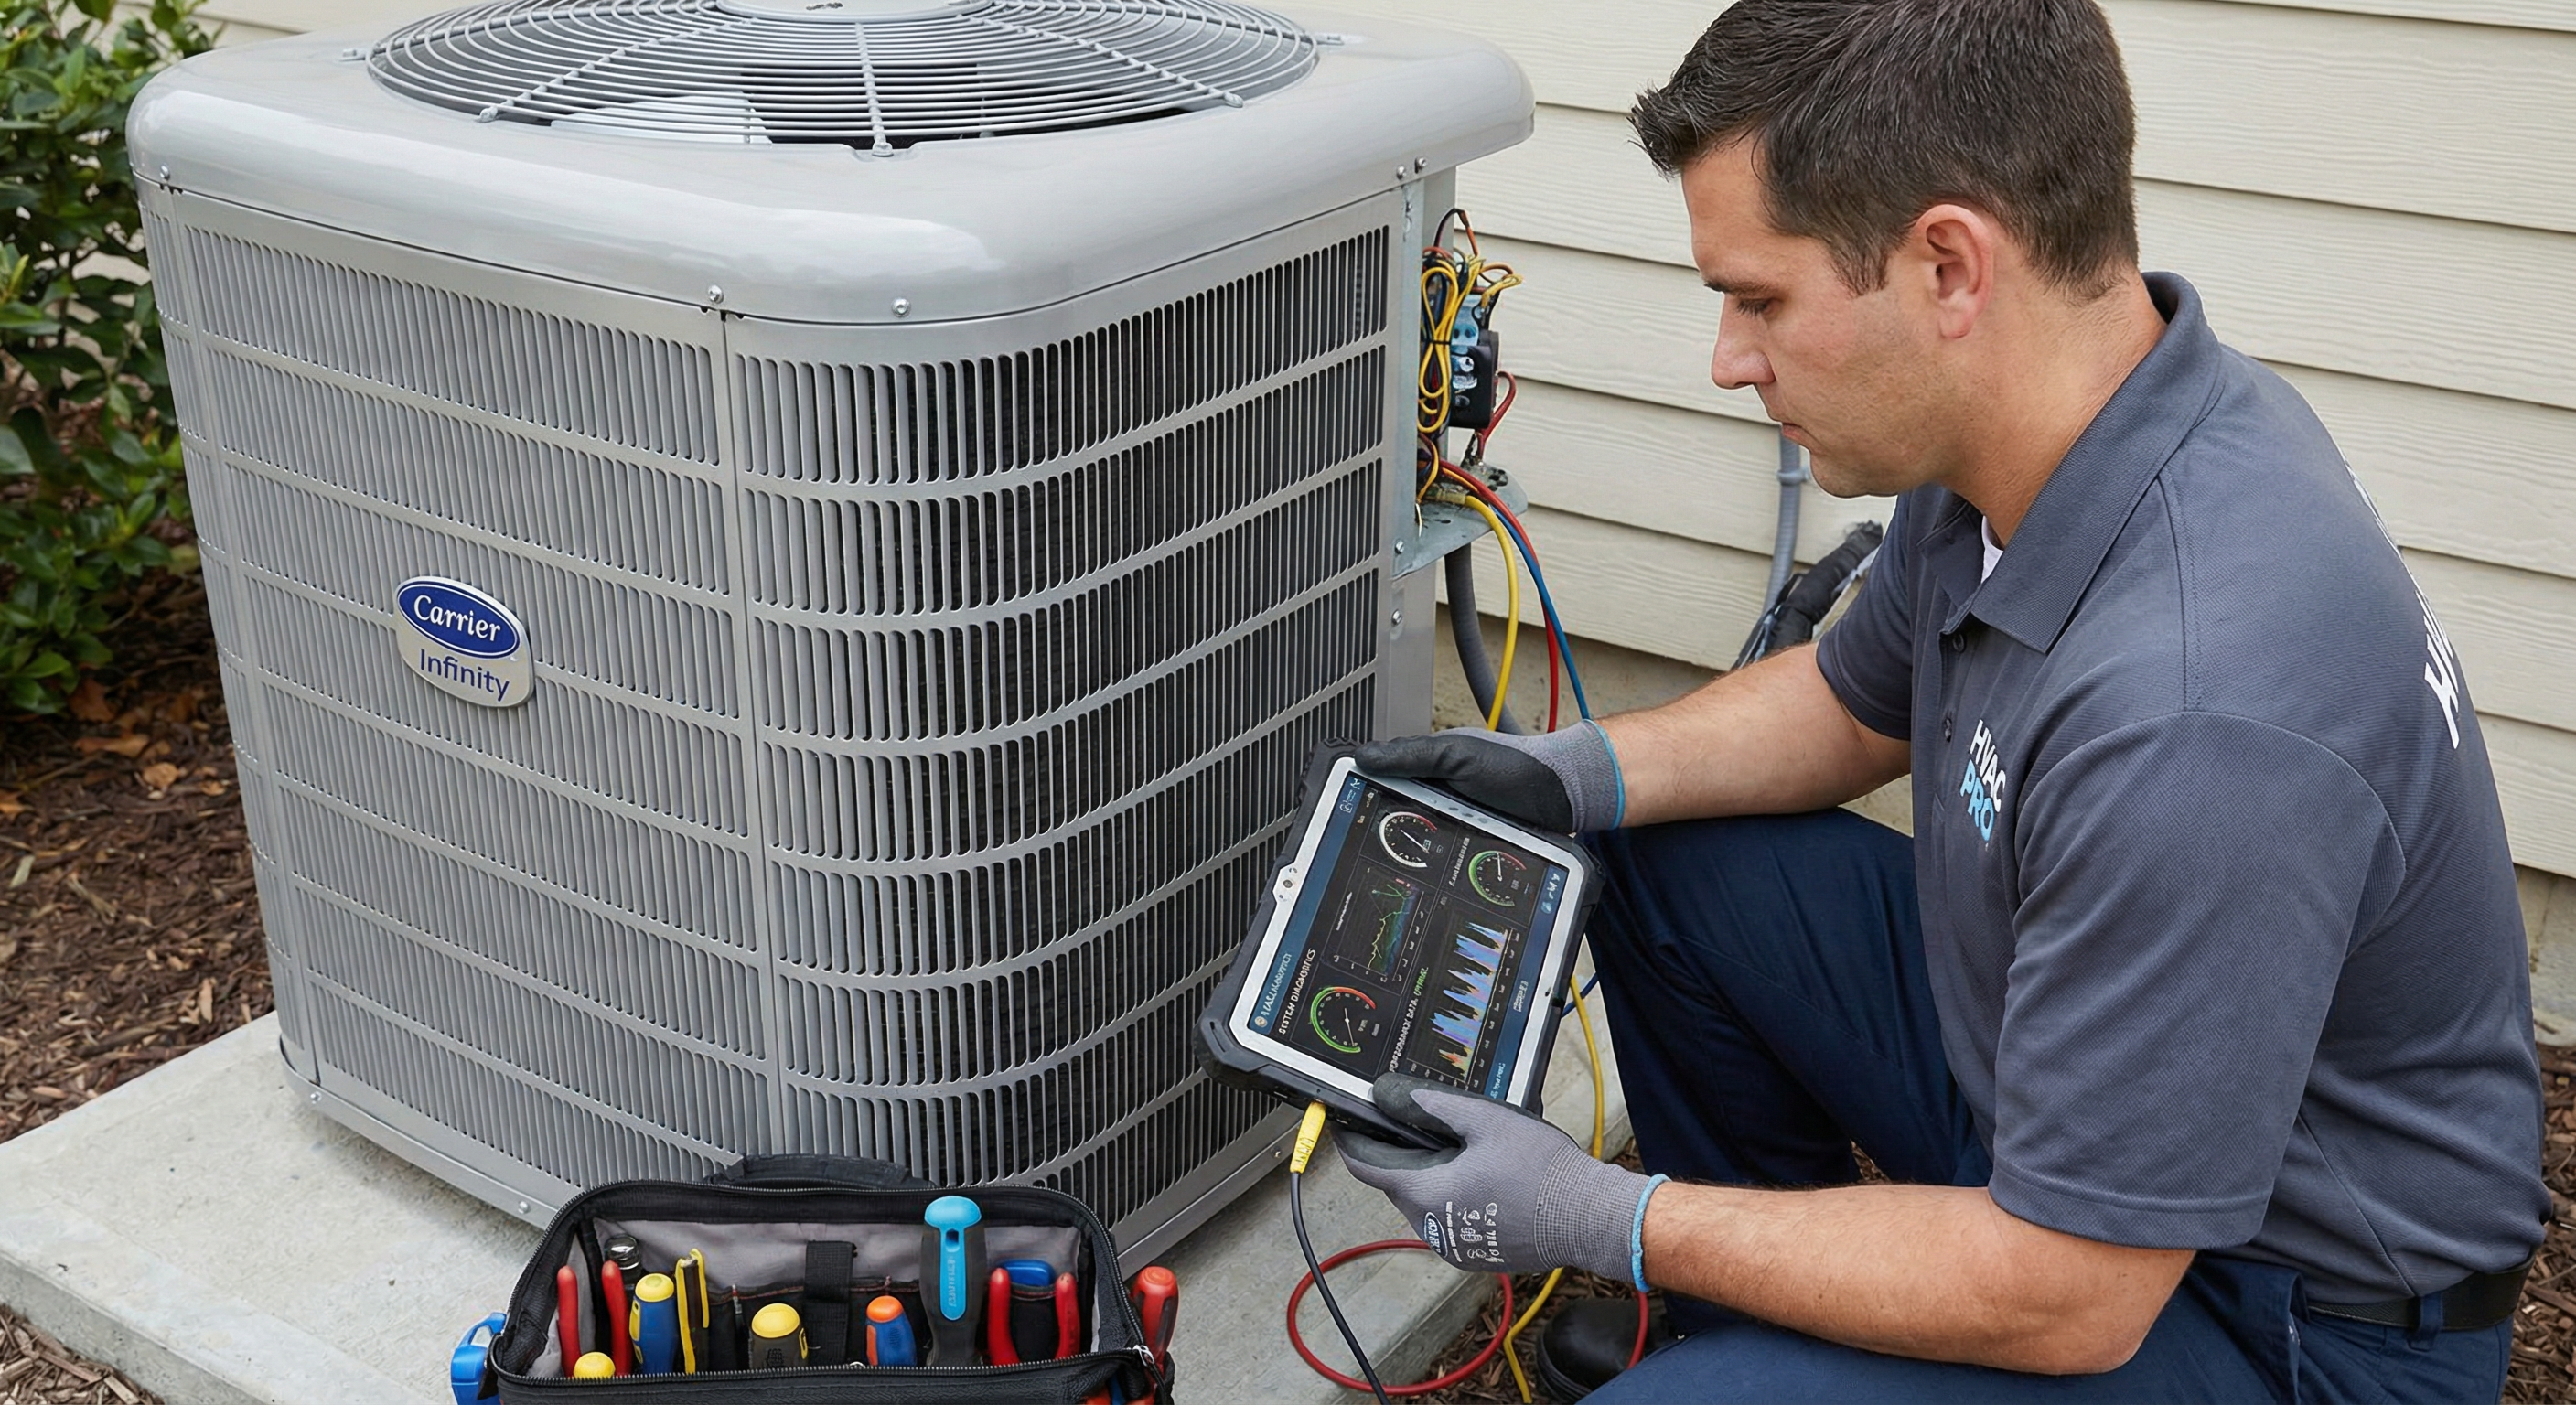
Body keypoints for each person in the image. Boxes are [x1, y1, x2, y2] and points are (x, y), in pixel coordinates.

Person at [1337, 0, 2549, 1400]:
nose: (1729, 359)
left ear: (1949, 266)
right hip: (2063, 1109)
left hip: (2283, 1321)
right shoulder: (2061, 432)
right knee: (1654, 847)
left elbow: (2072, 1298)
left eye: (1760, 297)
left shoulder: (2198, 713)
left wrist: (1602, 1217)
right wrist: (1568, 773)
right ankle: (1769, 1336)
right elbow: (1852, 707)